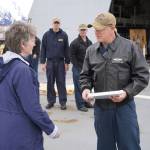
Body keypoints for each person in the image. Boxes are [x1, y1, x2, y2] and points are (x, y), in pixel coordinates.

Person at [79, 12, 149, 150]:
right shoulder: (91, 51)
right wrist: (85, 88)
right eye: (95, 29)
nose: (96, 32)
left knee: (129, 146)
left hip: (124, 108)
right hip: (102, 109)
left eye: (101, 29)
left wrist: (126, 92)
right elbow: (85, 76)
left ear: (112, 28)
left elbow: (142, 76)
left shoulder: (130, 47)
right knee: (105, 146)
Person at [0, 22, 59, 150]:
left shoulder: (4, 65)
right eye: (32, 40)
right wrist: (51, 128)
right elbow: (32, 107)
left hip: (5, 133)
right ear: (22, 43)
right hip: (22, 136)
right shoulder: (22, 70)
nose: (35, 43)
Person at [40, 18, 70, 110]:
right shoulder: (46, 35)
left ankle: (63, 102)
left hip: (60, 62)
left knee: (61, 82)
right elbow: (43, 49)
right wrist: (42, 62)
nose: (56, 24)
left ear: (60, 24)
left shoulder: (64, 35)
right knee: (50, 82)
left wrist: (67, 62)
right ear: (52, 24)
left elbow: (66, 49)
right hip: (50, 62)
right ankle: (51, 101)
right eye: (55, 23)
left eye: (58, 23)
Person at [70, 24, 93, 112]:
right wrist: (78, 67)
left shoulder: (89, 42)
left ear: (87, 31)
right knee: (79, 87)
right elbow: (72, 57)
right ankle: (80, 104)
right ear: (79, 31)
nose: (83, 31)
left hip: (87, 68)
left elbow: (91, 55)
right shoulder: (74, 43)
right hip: (78, 68)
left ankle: (86, 102)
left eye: (84, 30)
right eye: (81, 30)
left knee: (87, 86)